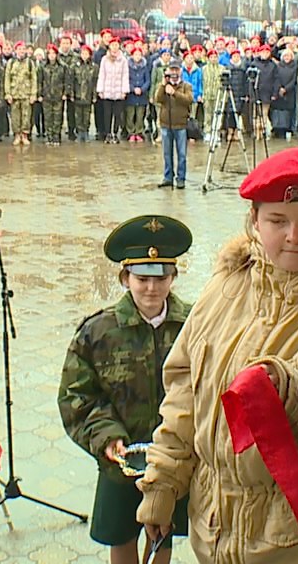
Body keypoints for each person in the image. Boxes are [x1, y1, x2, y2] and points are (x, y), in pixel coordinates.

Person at [137, 148, 298, 563]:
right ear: (254, 221)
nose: (295, 236)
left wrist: (291, 392)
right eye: (278, 221)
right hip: (215, 532)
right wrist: (163, 483)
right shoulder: (227, 285)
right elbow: (186, 389)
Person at [59, 215, 194, 564]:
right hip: (119, 465)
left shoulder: (194, 326)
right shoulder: (98, 332)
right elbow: (77, 396)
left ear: (174, 277)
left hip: (173, 462)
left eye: (161, 278)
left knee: (163, 533)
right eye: (142, 278)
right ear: (124, 278)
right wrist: (107, 437)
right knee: (120, 536)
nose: (152, 288)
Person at [153, 64, 191, 190]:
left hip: (180, 125)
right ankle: (168, 177)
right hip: (166, 124)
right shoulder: (163, 85)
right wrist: (163, 85)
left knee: (182, 154)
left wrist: (175, 93)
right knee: (167, 153)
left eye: (176, 70)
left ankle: (181, 178)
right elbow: (157, 99)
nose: (174, 74)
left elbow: (188, 100)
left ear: (180, 72)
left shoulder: (186, 86)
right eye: (171, 70)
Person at [4, 42, 38, 146]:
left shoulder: (30, 63)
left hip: (26, 94)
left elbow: (33, 79)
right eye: (19, 49)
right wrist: (8, 93)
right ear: (16, 51)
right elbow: (7, 78)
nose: (21, 51)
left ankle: (24, 135)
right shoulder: (11, 62)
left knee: (26, 116)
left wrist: (33, 94)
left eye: (23, 49)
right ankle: (17, 135)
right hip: (15, 94)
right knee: (15, 116)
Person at [97, 38, 129, 144]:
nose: (114, 47)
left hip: (118, 91)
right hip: (107, 90)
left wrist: (124, 90)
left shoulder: (123, 60)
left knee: (117, 114)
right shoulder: (104, 59)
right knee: (107, 113)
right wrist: (100, 90)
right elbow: (102, 75)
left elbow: (125, 76)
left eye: (116, 45)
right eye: (112, 45)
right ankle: (108, 133)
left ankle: (115, 132)